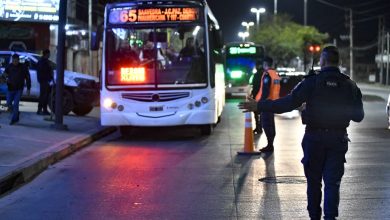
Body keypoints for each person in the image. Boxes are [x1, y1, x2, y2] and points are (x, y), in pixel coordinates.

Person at [238, 45, 364, 220]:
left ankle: (314, 217)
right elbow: (358, 116)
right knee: (332, 184)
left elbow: (287, 103)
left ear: (323, 60)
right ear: (339, 62)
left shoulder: (312, 82)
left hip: (314, 139)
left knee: (313, 183)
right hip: (338, 139)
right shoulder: (350, 85)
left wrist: (259, 105)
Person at [255, 56, 280, 152]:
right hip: (274, 102)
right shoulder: (275, 74)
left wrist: (261, 104)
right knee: (271, 124)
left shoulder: (267, 75)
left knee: (266, 124)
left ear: (265, 64)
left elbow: (265, 91)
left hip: (267, 103)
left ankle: (270, 145)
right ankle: (270, 144)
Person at [4, 54, 31, 125]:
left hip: (19, 89)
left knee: (16, 104)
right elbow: (5, 74)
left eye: (16, 61)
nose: (14, 62)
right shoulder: (9, 66)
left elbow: (28, 78)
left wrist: (28, 88)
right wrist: (5, 78)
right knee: (8, 103)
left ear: (18, 60)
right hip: (10, 88)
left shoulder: (23, 67)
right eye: (13, 61)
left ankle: (14, 119)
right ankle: (16, 112)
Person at [36, 49, 53, 115]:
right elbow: (43, 72)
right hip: (44, 81)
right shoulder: (42, 62)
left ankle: (43, 110)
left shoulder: (45, 61)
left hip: (45, 80)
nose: (49, 55)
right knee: (43, 96)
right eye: (49, 54)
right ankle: (41, 109)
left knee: (45, 96)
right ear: (46, 54)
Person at [249, 59, 264, 134]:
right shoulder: (257, 74)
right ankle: (258, 127)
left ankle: (259, 127)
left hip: (260, 97)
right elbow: (254, 85)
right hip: (257, 96)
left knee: (259, 113)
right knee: (256, 113)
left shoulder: (262, 74)